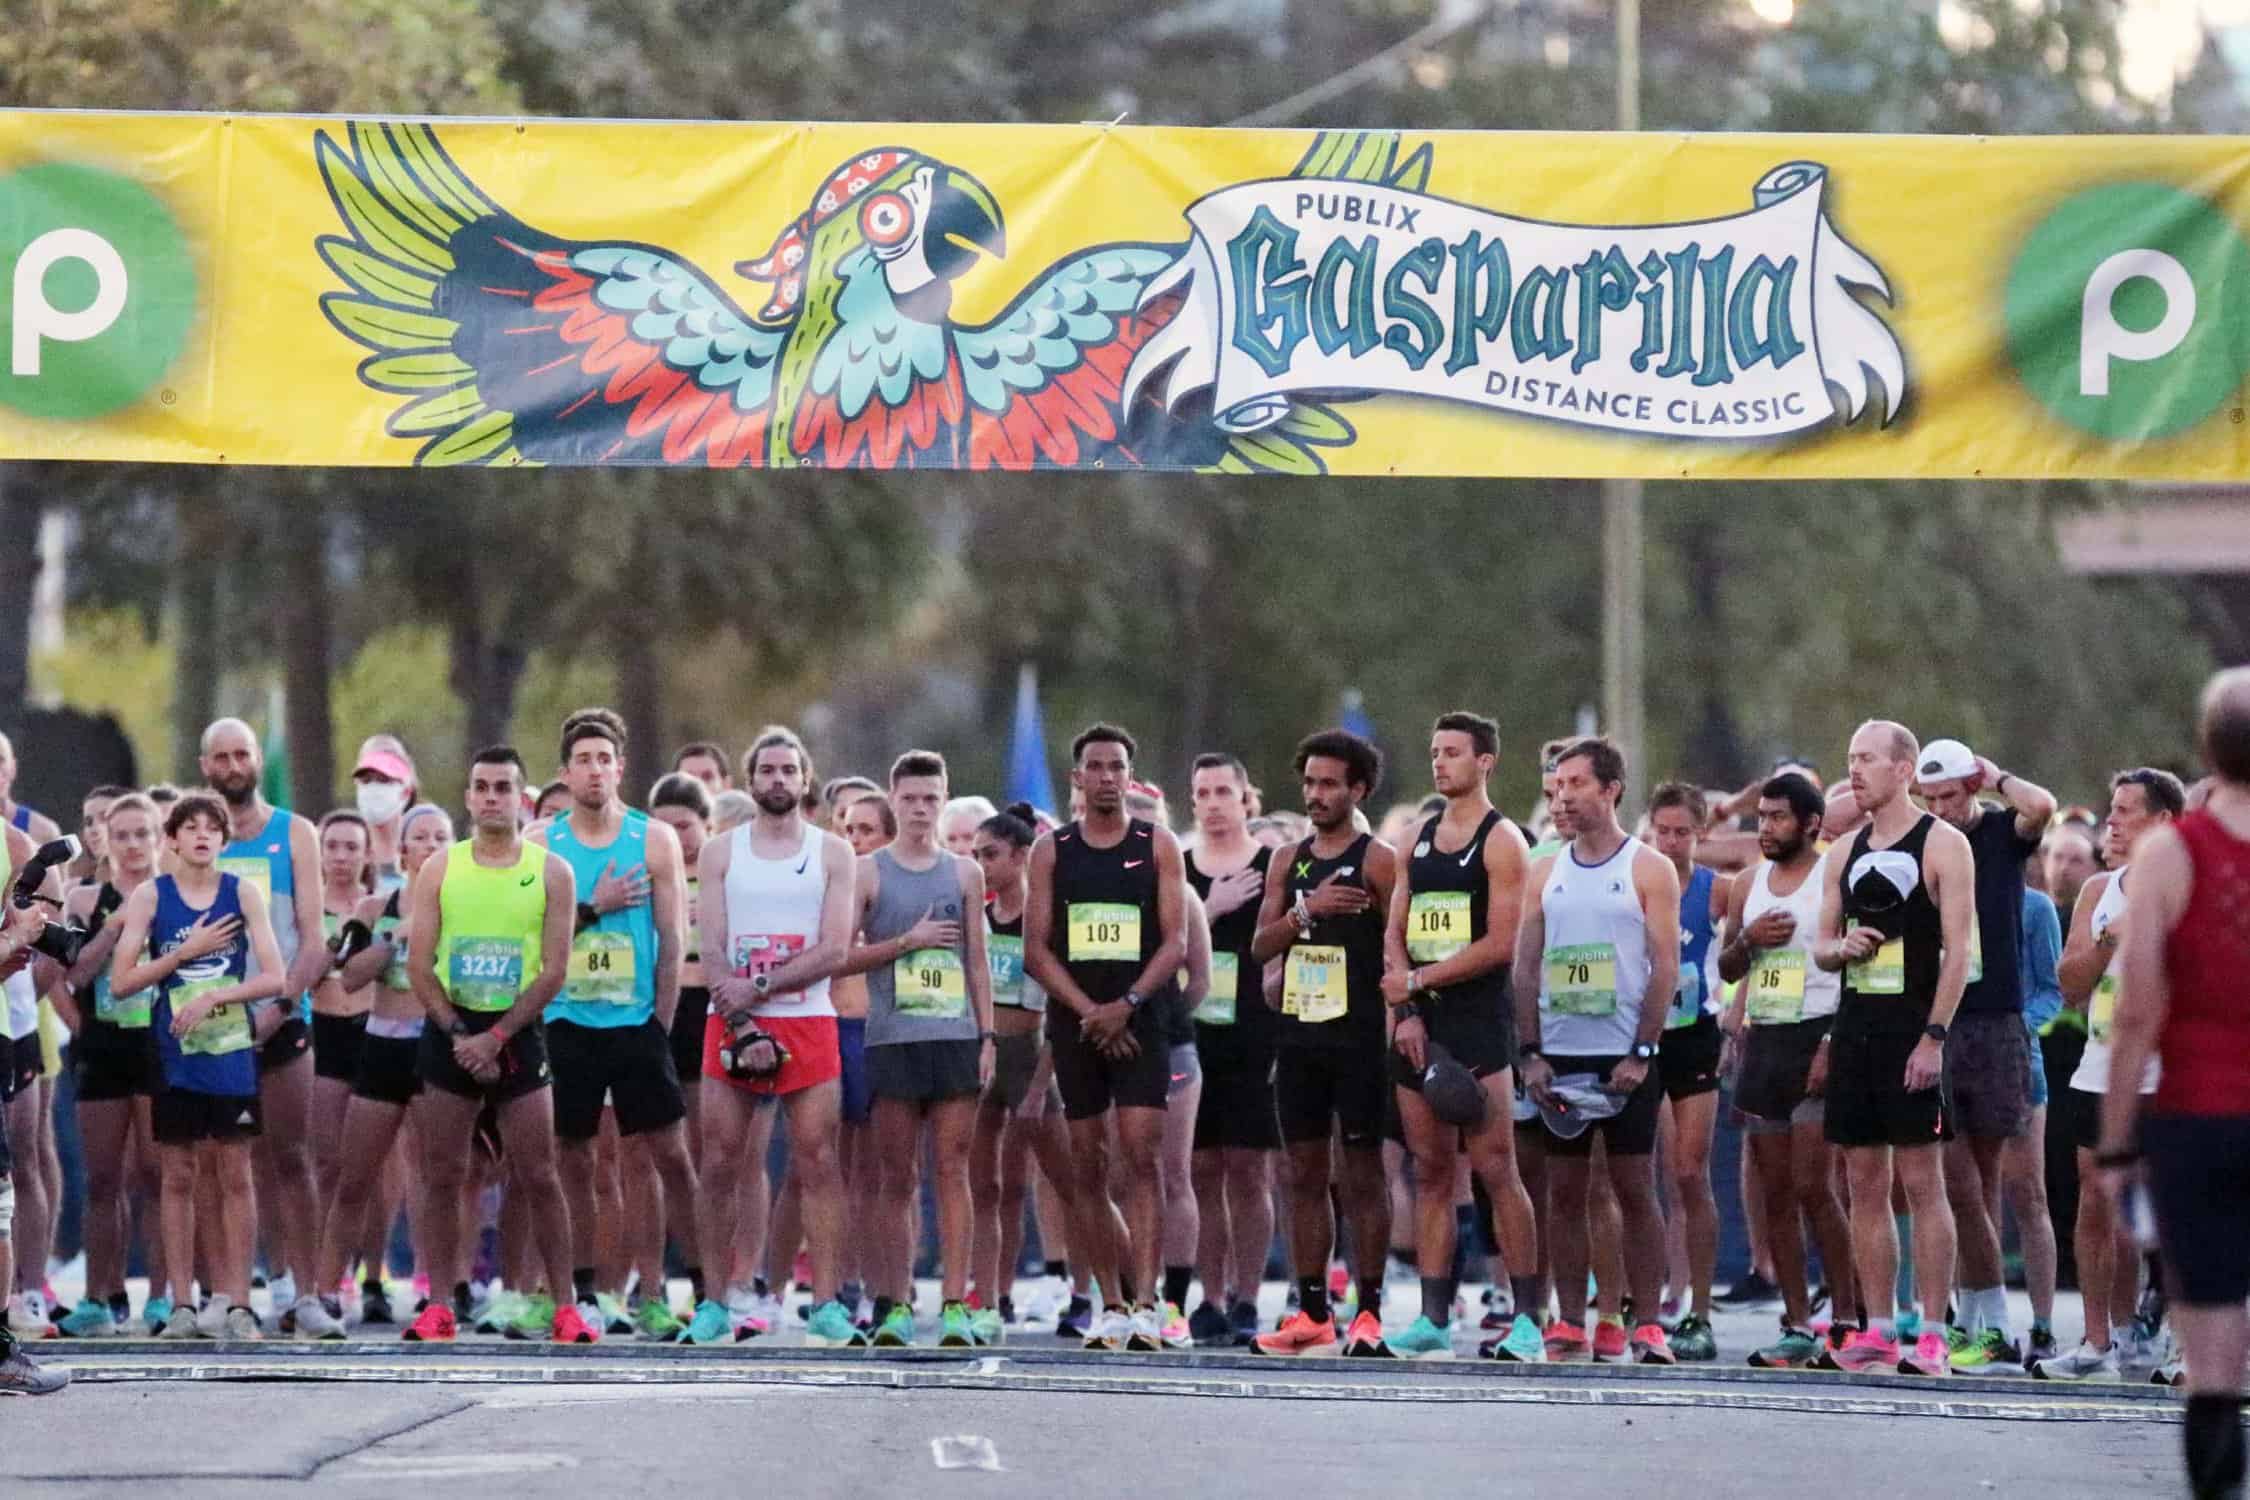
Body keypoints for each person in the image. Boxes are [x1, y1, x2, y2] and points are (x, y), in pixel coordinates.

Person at [2100, 669, 2250, 1500]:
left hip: (2199, 1118)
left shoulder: (2171, 855)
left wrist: (2118, 1139)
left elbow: (2136, 1012)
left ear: (2207, 749)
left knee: (2213, 1354)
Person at [398, 747, 588, 1344]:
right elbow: (419, 966)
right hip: (452, 1031)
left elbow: (555, 969)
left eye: (503, 787)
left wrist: (498, 1036)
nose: (490, 797)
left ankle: (565, 1305)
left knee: (538, 1172)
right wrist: (461, 1035)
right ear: (468, 797)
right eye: (480, 787)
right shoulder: (441, 869)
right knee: (444, 1173)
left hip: (518, 1033)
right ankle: (439, 1304)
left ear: (521, 797)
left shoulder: (552, 871)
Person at [526, 709, 701, 1340]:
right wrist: (593, 908)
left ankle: (669, 1293)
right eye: (583, 761)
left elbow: (674, 936)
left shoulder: (653, 839)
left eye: (605, 759)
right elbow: (533, 936)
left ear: (621, 768)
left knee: (663, 1158)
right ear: (565, 773)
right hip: (566, 1019)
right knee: (569, 1158)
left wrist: (660, 1020)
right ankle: (583, 1292)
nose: (595, 770)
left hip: (636, 1022)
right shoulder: (543, 843)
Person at [1381, 712, 1545, 1362]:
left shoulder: (1502, 841)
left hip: (1477, 1022)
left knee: (1497, 1168)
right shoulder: (1415, 839)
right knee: (1430, 1174)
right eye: (1434, 752)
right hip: (1420, 1021)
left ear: (1485, 762)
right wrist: (1407, 1008)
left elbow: (1500, 944)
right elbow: (1395, 930)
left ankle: (1528, 1321)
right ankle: (1432, 1317)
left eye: (1452, 752)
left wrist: (1419, 980)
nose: (1439, 762)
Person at [692, 727, 863, 1348]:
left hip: (808, 1018)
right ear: (751, 779)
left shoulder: (832, 853)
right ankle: (714, 1300)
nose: (778, 780)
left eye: (789, 770)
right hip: (731, 1019)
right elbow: (710, 948)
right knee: (719, 1161)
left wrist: (759, 984)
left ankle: (825, 1304)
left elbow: (835, 949)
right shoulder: (720, 852)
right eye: (767, 770)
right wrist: (739, 1016)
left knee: (818, 1161)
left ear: (805, 778)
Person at [1516, 736, 1680, 1365]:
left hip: (1624, 1055)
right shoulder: (1543, 869)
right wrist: (1531, 1052)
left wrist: (1642, 1049)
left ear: (1610, 789)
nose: (1563, 796)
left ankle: (1645, 1323)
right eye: (1557, 786)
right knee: (1564, 1192)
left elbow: (1664, 968)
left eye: (1577, 784)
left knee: (1636, 1187)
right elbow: (1526, 969)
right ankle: (1572, 1320)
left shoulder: (1648, 868)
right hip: (1560, 1053)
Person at [1022, 724, 1187, 1352]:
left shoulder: (1157, 844)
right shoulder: (1053, 850)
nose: (1107, 777)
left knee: (1142, 1158)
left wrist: (1128, 1004)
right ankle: (1110, 1305)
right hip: (1077, 1021)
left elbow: (1174, 942)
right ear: (1078, 778)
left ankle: (1149, 1304)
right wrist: (1092, 1012)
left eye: (1118, 766)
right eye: (1096, 766)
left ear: (1129, 774)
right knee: (1086, 1168)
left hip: (1142, 1017)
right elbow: (1037, 950)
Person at [1815, 721, 1972, 1376]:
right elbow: (1820, 944)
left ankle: (1932, 1331)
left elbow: (1961, 951)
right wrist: (1838, 948)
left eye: (1868, 760)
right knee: (1862, 1182)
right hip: (1856, 1030)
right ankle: (1878, 1326)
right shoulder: (1842, 849)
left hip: (1915, 1031)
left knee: (1922, 1181)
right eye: (1849, 759)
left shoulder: (1944, 844)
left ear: (1904, 769)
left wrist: (1934, 1038)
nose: (1855, 771)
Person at [107, 791, 289, 1339]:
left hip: (229, 1051)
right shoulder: (151, 896)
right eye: (192, 827)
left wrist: (216, 998)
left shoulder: (242, 893)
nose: (203, 835)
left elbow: (275, 977)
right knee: (179, 1174)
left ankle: (238, 1303)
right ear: (174, 839)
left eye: (214, 828)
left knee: (235, 1174)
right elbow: (121, 983)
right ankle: (182, 1303)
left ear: (223, 841)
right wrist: (184, 954)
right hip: (173, 1054)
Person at [1248, 730, 1404, 1358]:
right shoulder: (1288, 860)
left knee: (1363, 1174)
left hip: (1361, 1038)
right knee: (1302, 1174)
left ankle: (1368, 1310)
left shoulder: (1380, 859)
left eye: (1329, 784)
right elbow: (1261, 945)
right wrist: (1306, 913)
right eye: (1309, 783)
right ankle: (1312, 1311)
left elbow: (1402, 946)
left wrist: (1405, 1019)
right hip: (1300, 1035)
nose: (1315, 795)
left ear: (1357, 789)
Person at [833, 752, 993, 1347]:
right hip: (892, 1039)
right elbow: (841, 954)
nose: (921, 810)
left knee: (953, 1172)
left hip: (954, 1039)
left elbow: (976, 960)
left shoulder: (964, 874)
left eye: (931, 799)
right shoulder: (868, 872)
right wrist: (908, 941)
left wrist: (987, 1034)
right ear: (893, 801)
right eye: (910, 799)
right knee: (894, 1178)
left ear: (944, 800)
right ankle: (893, 1302)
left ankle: (955, 1302)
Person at [1909, 737, 2056, 1372]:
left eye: (1951, 794)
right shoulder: (1924, 841)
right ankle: (1985, 1316)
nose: (1941, 807)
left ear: (1970, 787)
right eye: (1931, 797)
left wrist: (1996, 776)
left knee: (1987, 1181)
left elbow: (2043, 807)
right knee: (1958, 1180)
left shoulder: (1999, 832)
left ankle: (1986, 1321)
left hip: (1997, 1021)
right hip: (1941, 1016)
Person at [2039, 768, 2183, 1382]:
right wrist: (2105, 941)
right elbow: (2069, 988)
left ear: (2165, 822)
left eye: (2128, 810)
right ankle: (2099, 1341)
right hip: (2099, 1071)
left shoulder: (2195, 886)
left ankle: (2182, 1346)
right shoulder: (2101, 890)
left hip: (2174, 1075)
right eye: (2113, 808)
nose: (2114, 821)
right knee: (2096, 1206)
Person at [1718, 774, 1861, 1368]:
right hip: (1765, 1041)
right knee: (1775, 1190)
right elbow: (1728, 967)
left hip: (1819, 1034)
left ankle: (1850, 1318)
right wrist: (1749, 939)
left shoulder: (1835, 876)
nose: (1767, 827)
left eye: (1779, 818)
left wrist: (1832, 1042)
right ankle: (1797, 1322)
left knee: (1814, 1185)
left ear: (1809, 823)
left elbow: (1856, 969)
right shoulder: (1748, 883)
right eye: (1762, 817)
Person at [307, 803, 454, 1336]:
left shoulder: (464, 902)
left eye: (442, 836)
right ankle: (324, 1292)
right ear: (404, 849)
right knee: (353, 1174)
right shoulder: (376, 905)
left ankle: (440, 1294)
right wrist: (399, 935)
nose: (432, 844)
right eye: (422, 836)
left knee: (436, 1176)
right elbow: (349, 979)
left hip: (435, 1045)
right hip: (382, 1044)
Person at [199, 717, 327, 1331]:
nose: (232, 767)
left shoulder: (294, 834)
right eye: (220, 758)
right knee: (223, 1165)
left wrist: (279, 1008)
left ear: (256, 760)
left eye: (241, 755)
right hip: (212, 1022)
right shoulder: (195, 837)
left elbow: (313, 939)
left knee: (292, 1158)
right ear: (205, 767)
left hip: (280, 1019)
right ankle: (229, 1292)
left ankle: (307, 1293)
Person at [52, 794, 168, 1338]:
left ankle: (166, 1298)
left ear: (158, 838)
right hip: (102, 1049)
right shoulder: (85, 899)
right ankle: (98, 1296)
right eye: (120, 834)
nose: (132, 844)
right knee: (103, 1181)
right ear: (106, 840)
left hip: (159, 1047)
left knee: (157, 1177)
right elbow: (71, 977)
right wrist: (114, 926)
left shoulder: (175, 897)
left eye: (142, 834)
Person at [969, 803, 1081, 1339]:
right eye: (974, 856)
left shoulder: (1046, 917)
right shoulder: (976, 916)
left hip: (1033, 1052)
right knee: (986, 1188)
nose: (981, 866)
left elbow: (1061, 1010)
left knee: (1069, 1182)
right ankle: (991, 1297)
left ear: (1021, 856)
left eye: (990, 855)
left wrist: (1041, 1084)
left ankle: (1094, 1292)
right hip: (984, 1051)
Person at [1183, 754, 1278, 1350]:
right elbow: (1164, 942)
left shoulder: (1273, 864)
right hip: (1193, 1028)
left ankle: (1248, 1296)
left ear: (1246, 798)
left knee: (1248, 1169)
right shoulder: (1178, 867)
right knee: (1200, 1169)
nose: (1214, 802)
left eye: (1225, 791)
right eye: (1203, 792)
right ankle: (1208, 1296)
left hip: (1256, 1031)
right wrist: (1209, 909)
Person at [1645, 781, 1725, 1361]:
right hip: (1635, 1034)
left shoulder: (1717, 891)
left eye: (1683, 832)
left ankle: (1697, 1309)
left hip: (1695, 1036)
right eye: (1662, 831)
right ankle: (1634, 1302)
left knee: (1689, 1174)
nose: (1670, 843)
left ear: (1702, 834)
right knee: (1625, 1176)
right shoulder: (1636, 884)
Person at [352, 738, 419, 893]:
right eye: (366, 780)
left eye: (384, 779)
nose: (374, 787)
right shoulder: (337, 846)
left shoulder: (429, 842)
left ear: (406, 790)